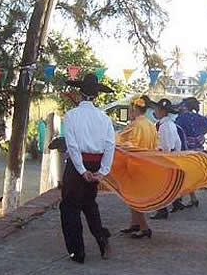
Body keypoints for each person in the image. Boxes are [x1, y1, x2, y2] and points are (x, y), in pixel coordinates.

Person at [61, 73, 115, 263]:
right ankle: (101, 237)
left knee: (70, 207)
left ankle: (78, 252)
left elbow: (73, 145)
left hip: (78, 166)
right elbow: (110, 146)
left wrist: (82, 170)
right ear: (97, 96)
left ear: (79, 93)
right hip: (96, 164)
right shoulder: (104, 118)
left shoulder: (71, 116)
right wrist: (102, 172)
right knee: (89, 204)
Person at [116, 96, 157, 239]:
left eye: (130, 109)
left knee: (136, 197)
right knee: (132, 196)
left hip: (136, 164)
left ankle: (144, 227)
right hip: (147, 163)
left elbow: (127, 144)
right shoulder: (150, 124)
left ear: (134, 109)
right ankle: (134, 223)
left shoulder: (136, 125)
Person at [149, 98, 182, 220]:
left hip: (164, 158)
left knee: (159, 186)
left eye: (157, 109)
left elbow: (167, 146)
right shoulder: (170, 124)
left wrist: (163, 159)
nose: (155, 112)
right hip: (170, 157)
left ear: (162, 111)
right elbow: (178, 143)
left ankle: (162, 209)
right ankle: (173, 203)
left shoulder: (164, 126)